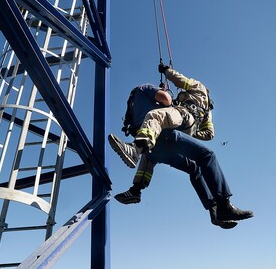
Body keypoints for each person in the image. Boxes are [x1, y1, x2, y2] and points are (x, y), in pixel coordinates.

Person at [108, 75, 253, 229]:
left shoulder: (136, 101)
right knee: (201, 160)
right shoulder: (205, 111)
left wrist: (167, 72)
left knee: (150, 144)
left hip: (164, 131)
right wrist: (192, 131)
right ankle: (218, 209)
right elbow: (168, 101)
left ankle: (136, 188)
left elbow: (176, 84)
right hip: (169, 135)